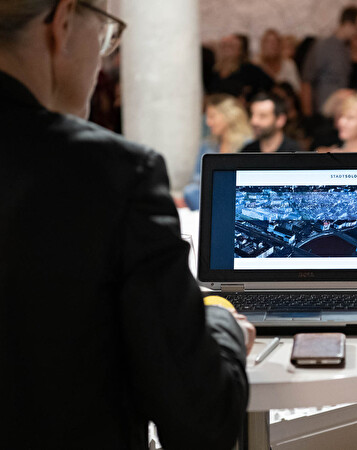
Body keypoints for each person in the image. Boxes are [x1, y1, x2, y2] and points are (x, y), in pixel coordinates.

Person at [0, 1, 255, 448]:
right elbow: (204, 420)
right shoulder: (113, 174)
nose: (103, 62)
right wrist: (220, 317)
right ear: (60, 23)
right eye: (105, 37)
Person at [183, 94, 253, 210]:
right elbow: (196, 179)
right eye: (207, 117)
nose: (208, 122)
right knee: (190, 191)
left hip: (237, 199)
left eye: (212, 117)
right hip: (208, 197)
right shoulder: (207, 145)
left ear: (228, 116)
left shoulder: (248, 145)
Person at [301, 5, 357, 117]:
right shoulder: (323, 46)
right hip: (324, 112)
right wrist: (308, 116)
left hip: (342, 111)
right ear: (347, 24)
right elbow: (306, 81)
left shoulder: (347, 48)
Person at [208, 34, 274, 102]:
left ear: (240, 50)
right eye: (224, 46)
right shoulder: (213, 71)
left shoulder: (249, 69)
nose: (226, 50)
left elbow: (270, 85)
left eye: (231, 47)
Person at [256, 29, 301, 93]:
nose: (272, 46)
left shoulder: (289, 65)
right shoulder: (256, 65)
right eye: (268, 42)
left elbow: (296, 90)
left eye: (274, 43)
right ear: (263, 45)